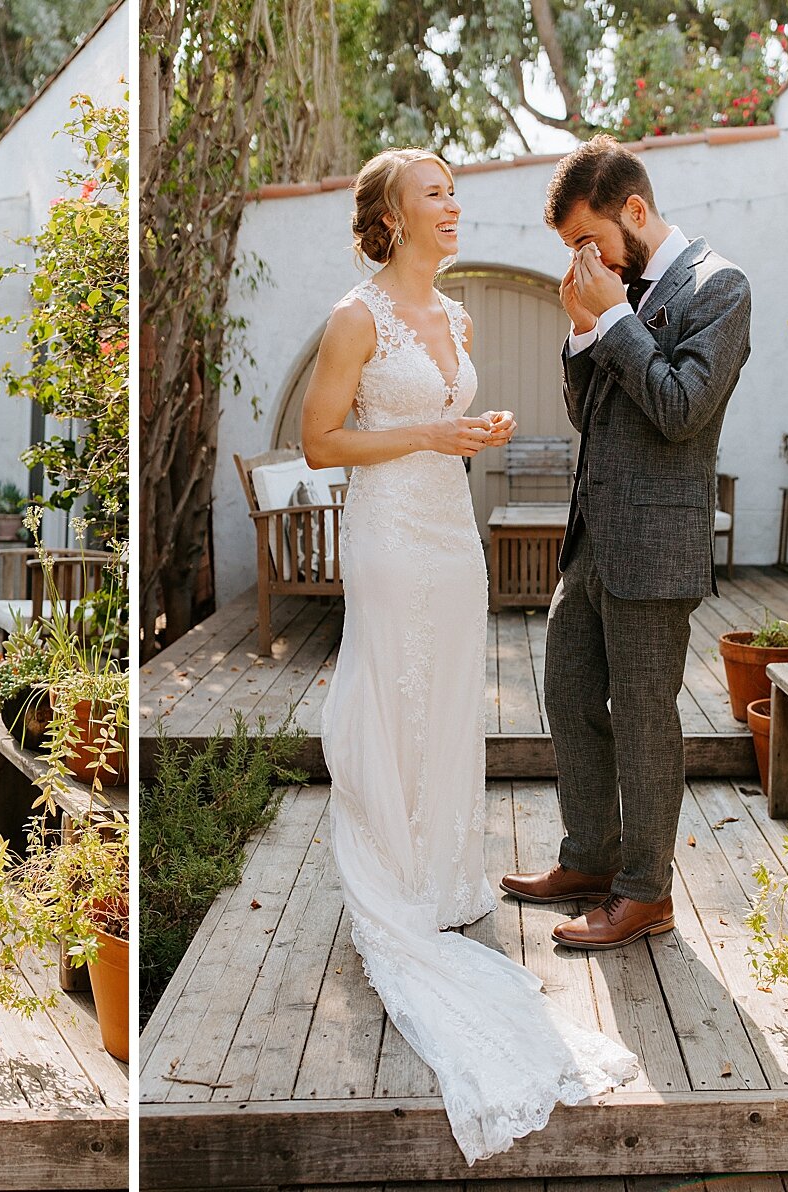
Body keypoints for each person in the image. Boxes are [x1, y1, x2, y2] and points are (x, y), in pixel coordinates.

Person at [301, 147, 639, 1164]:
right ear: (391, 218)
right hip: (389, 532)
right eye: (433, 195)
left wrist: (472, 432)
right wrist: (427, 434)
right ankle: (393, 876)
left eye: (455, 192)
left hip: (452, 531)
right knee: (391, 687)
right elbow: (321, 441)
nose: (452, 207)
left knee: (448, 696)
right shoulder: (355, 318)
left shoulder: (457, 317)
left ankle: (444, 873)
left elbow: (442, 429)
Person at [501, 135, 752, 951]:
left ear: (634, 212)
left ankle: (646, 893)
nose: (582, 259)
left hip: (656, 547)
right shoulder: (610, 293)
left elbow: (679, 409)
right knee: (569, 695)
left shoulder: (720, 287)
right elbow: (591, 416)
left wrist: (611, 317)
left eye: (588, 240)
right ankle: (590, 859)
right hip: (590, 543)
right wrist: (583, 333)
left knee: (644, 718)